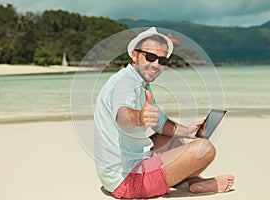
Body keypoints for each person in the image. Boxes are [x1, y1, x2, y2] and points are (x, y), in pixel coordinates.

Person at [94, 27, 235, 199]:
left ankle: (192, 181)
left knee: (173, 135)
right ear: (134, 55)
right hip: (127, 181)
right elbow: (122, 116)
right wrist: (139, 117)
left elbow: (161, 124)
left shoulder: (139, 82)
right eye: (150, 57)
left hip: (119, 171)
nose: (156, 64)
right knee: (205, 149)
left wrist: (189, 131)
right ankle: (190, 180)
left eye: (162, 61)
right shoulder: (125, 83)